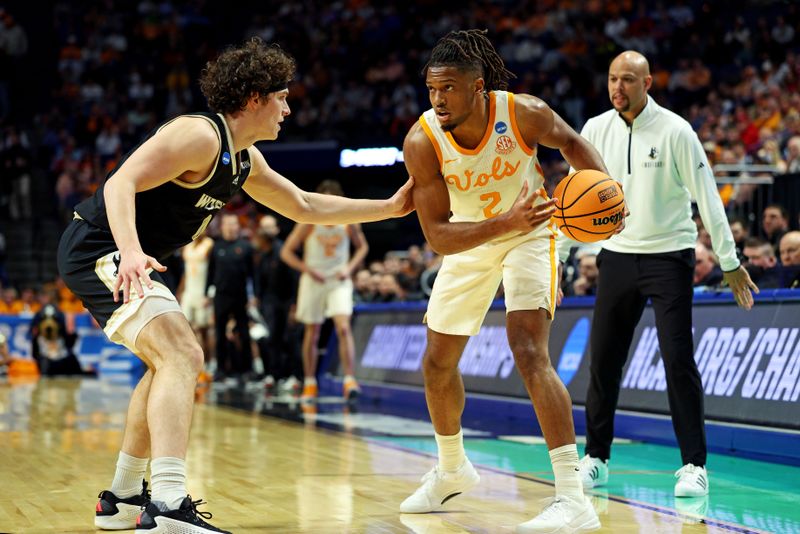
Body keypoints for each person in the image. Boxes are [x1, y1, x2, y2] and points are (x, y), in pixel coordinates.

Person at [56, 38, 413, 534]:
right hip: (101, 247)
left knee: (166, 363)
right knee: (183, 353)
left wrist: (389, 208)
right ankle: (168, 504)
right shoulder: (199, 135)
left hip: (127, 253)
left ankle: (120, 498)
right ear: (254, 99)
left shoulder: (243, 160)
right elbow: (120, 183)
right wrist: (132, 250)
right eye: (282, 97)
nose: (288, 108)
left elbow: (304, 207)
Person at [400, 30, 607, 533]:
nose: (438, 99)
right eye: (432, 89)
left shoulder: (523, 112)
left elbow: (575, 144)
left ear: (478, 86)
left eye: (448, 88)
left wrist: (607, 192)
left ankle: (571, 498)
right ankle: (453, 469)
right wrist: (502, 224)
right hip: (470, 238)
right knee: (436, 362)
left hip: (532, 232)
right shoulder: (422, 141)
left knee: (528, 350)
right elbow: (438, 238)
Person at [569, 51, 758, 499]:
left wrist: (728, 261)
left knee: (678, 362)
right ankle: (596, 458)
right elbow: (578, 197)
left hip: (669, 257)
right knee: (604, 364)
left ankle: (694, 465)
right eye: (613, 78)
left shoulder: (676, 131)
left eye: (628, 80)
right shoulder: (594, 130)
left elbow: (708, 197)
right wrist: (573, 254)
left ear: (647, 83)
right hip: (615, 256)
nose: (618, 87)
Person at [280, 179, 369, 402]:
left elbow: (363, 247)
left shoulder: (348, 221)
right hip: (314, 279)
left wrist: (349, 268)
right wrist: (307, 269)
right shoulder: (309, 221)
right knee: (313, 331)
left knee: (344, 327)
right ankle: (310, 382)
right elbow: (286, 252)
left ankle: (350, 380)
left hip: (338, 280)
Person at [253, 214, 300, 391]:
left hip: (286, 302)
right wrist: (258, 299)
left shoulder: (284, 251)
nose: (265, 232)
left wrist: (294, 305)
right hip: (270, 304)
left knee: (289, 339)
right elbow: (260, 280)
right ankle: (274, 374)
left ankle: (293, 376)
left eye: (269, 227)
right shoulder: (262, 255)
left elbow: (295, 279)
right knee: (272, 340)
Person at [206, 213, 254, 382]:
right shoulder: (216, 247)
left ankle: (246, 369)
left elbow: (252, 274)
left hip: (240, 296)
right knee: (220, 334)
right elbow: (210, 272)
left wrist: (254, 296)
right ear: (222, 227)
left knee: (244, 333)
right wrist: (207, 293)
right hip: (221, 296)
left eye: (234, 224)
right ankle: (221, 369)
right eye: (228, 224)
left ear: (238, 227)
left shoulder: (246, 247)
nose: (231, 227)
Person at [179, 232, 214, 372]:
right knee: (186, 327)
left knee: (203, 329)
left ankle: (209, 364)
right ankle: (192, 361)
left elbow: (213, 270)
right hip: (189, 290)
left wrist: (210, 293)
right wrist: (180, 291)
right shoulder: (188, 244)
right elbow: (185, 271)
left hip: (202, 291)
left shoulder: (210, 244)